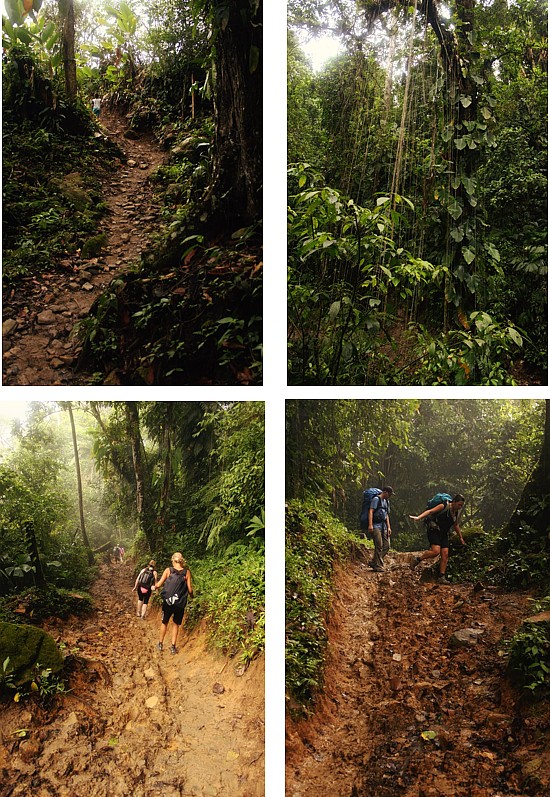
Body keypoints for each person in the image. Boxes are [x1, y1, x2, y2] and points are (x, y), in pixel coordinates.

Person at [409, 494, 466, 583]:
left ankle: (441, 577)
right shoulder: (444, 505)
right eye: (459, 504)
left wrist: (461, 538)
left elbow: (456, 525)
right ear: (454, 502)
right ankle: (417, 559)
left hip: (444, 533)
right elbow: (430, 511)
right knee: (436, 551)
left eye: (461, 505)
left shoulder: (455, 512)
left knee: (445, 554)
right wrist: (419, 517)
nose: (460, 507)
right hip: (434, 530)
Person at [156, 552, 193, 654]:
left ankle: (160, 643)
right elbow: (190, 589)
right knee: (176, 624)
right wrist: (193, 596)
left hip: (168, 602)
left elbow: (158, 585)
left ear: (173, 560)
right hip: (179, 603)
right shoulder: (187, 572)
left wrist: (154, 585)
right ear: (182, 561)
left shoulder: (168, 570)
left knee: (165, 622)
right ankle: (173, 647)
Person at [367, 486, 394, 572]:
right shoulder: (376, 499)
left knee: (387, 545)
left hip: (384, 526)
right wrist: (370, 525)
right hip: (375, 525)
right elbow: (371, 511)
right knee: (379, 545)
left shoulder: (386, 501)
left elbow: (386, 515)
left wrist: (389, 527)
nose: (390, 496)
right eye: (389, 494)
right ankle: (377, 566)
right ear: (385, 492)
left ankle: (375, 561)